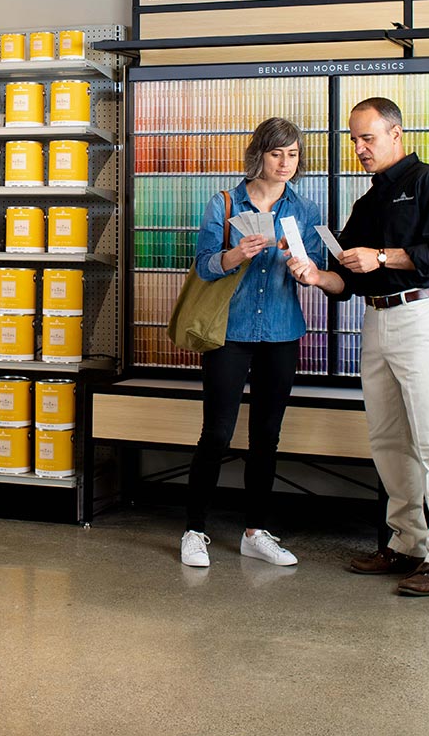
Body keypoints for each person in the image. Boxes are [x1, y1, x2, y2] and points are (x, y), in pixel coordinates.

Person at [285, 97, 429, 596]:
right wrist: (315, 274)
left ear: (395, 134)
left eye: (367, 137)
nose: (359, 148)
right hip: (377, 320)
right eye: (353, 140)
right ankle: (405, 542)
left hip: (420, 314)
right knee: (388, 439)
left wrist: (384, 255)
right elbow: (348, 278)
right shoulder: (366, 202)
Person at [180, 117, 326, 569]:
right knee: (217, 432)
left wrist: (303, 267)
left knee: (267, 435)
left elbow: (316, 267)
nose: (285, 163)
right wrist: (234, 255)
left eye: (293, 154)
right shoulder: (224, 202)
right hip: (230, 331)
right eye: (277, 153)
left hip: (282, 331)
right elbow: (204, 266)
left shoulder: (304, 210)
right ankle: (194, 530)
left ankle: (255, 532)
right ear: (259, 154)